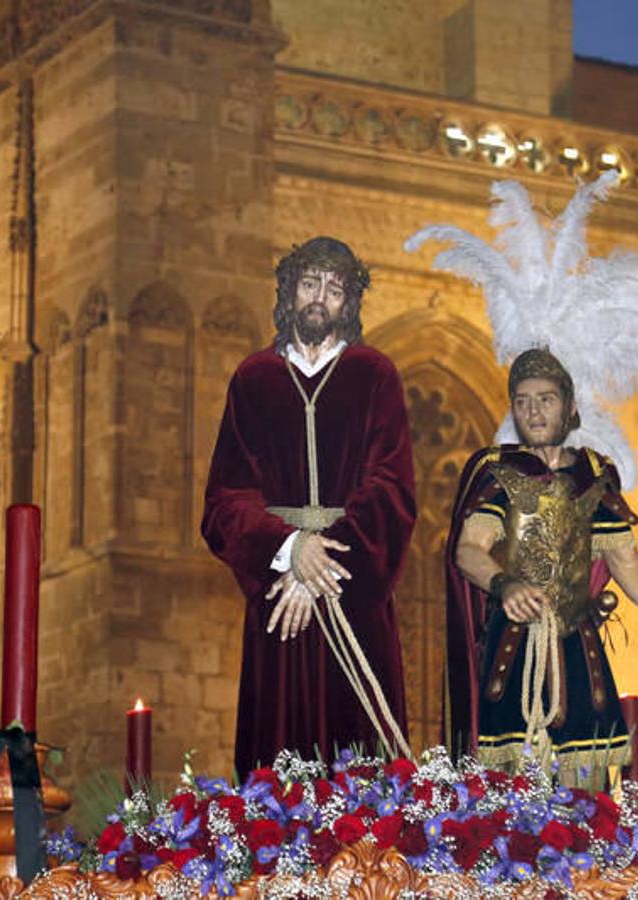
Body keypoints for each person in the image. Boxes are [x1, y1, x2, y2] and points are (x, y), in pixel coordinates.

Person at [201, 236, 416, 776]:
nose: (320, 297)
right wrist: (289, 550)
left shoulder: (375, 375)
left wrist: (318, 567)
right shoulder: (253, 379)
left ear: (350, 302)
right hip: (279, 603)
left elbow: (391, 488)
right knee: (278, 763)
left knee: (361, 765)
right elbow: (226, 499)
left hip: (353, 593)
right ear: (289, 291)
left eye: (335, 289)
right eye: (310, 283)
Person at [445, 349, 638, 781]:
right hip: (514, 656)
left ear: (569, 407)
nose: (533, 411)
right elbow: (468, 549)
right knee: (514, 792)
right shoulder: (499, 473)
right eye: (523, 401)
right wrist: (505, 584)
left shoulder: (593, 478)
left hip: (579, 656)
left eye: (545, 399)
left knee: (585, 792)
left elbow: (629, 565)